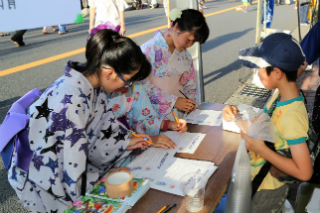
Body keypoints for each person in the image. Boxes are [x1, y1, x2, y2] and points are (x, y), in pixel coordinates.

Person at [6, 29, 174, 213]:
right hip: (42, 178)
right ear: (109, 72)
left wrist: (126, 140)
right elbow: (67, 172)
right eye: (127, 81)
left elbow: (102, 127)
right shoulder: (70, 104)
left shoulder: (90, 85)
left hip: (58, 160)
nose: (126, 87)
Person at [223, 33, 313, 213]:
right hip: (257, 179)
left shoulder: (292, 117)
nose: (257, 73)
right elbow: (261, 123)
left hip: (267, 192)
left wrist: (261, 149)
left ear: (277, 73)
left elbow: (304, 172)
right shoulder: (279, 96)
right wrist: (236, 114)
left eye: (260, 69)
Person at [140, 9, 209, 121]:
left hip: (179, 118)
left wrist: (190, 104)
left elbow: (190, 87)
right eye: (189, 39)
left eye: (193, 42)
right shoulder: (148, 50)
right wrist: (173, 101)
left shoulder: (186, 56)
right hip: (153, 119)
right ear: (176, 27)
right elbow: (141, 86)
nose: (190, 45)